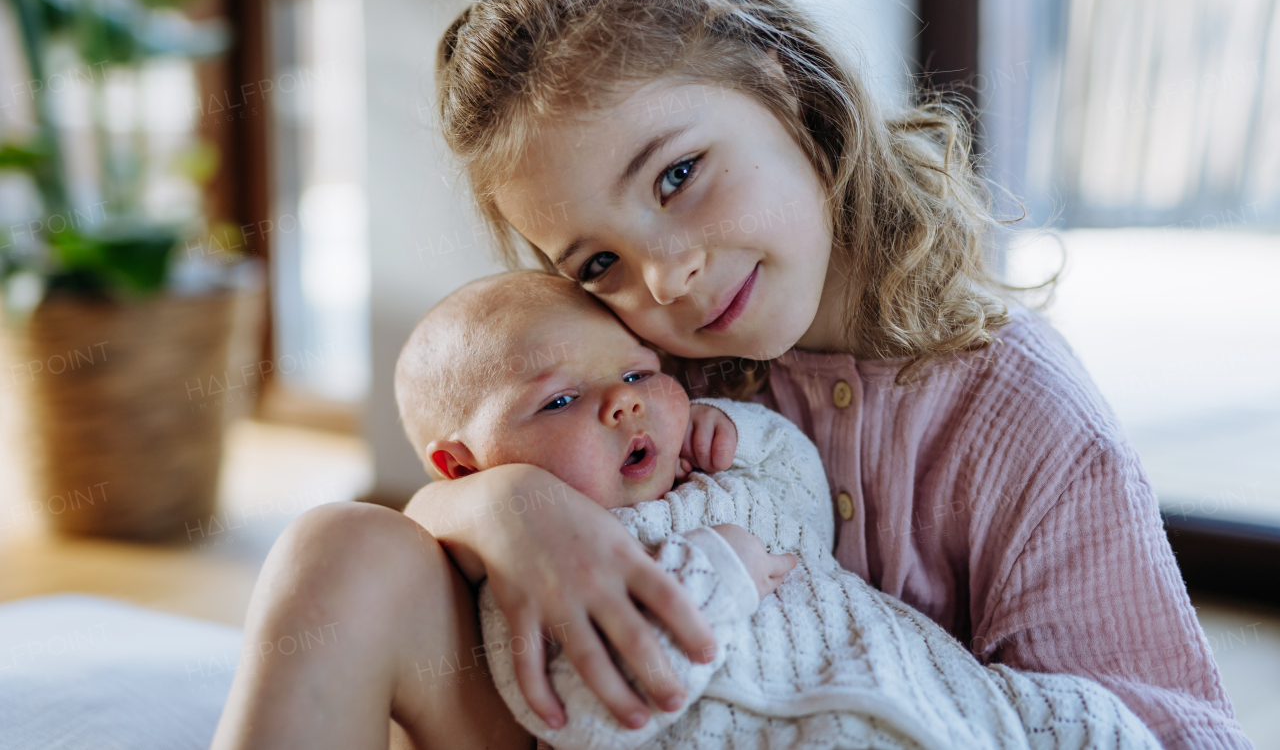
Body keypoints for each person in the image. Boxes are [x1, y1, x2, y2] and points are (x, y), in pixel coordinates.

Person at [417, 0, 1250, 750]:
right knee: (347, 552)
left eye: (677, 175)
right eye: (599, 263)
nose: (665, 279)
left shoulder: (1017, 411)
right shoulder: (645, 396)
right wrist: (500, 503)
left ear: (778, 80)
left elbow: (1157, 728)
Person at [398, 270, 1163, 750]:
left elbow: (807, 514)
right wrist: (719, 572)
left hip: (965, 699)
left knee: (1099, 721)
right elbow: (591, 721)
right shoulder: (543, 571)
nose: (624, 402)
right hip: (808, 729)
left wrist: (743, 431)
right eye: (561, 399)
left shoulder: (709, 474)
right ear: (462, 465)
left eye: (637, 371)